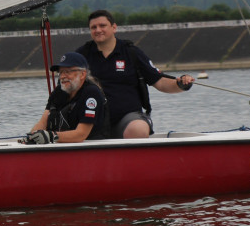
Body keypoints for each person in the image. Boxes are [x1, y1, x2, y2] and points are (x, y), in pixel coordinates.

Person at [75, 9, 194, 138]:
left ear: (114, 27)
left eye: (102, 26)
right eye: (93, 27)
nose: (98, 30)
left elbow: (160, 82)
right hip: (91, 121)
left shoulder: (132, 53)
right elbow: (66, 87)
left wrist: (182, 84)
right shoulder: (81, 56)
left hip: (128, 119)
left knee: (138, 129)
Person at [24, 52, 110, 144]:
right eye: (60, 72)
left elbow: (81, 134)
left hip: (91, 148)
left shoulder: (92, 93)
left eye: (67, 72)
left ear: (82, 74)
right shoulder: (58, 92)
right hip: (61, 145)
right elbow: (42, 123)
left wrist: (51, 136)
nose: (62, 76)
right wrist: (31, 137)